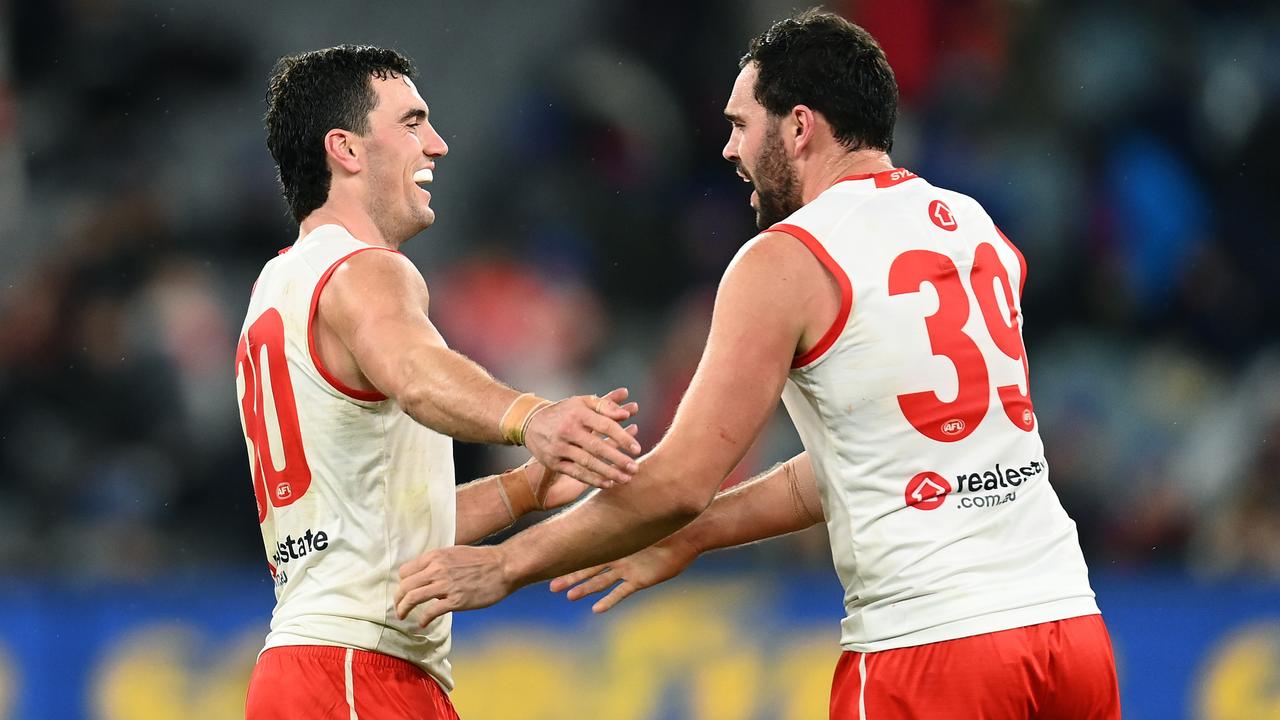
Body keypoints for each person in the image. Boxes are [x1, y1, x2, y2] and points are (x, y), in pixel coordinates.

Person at [395, 10, 1121, 718]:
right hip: (1069, 632)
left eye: (741, 124)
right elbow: (862, 461)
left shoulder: (787, 257)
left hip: (933, 647)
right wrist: (694, 535)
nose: (728, 150)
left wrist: (506, 565)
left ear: (799, 127)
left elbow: (678, 480)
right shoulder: (973, 227)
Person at [236, 45, 643, 719]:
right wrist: (533, 418)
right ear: (347, 149)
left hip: (312, 665)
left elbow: (374, 528)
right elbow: (419, 378)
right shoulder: (368, 269)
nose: (439, 144)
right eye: (412, 122)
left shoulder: (276, 289)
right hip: (357, 672)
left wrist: (522, 486)